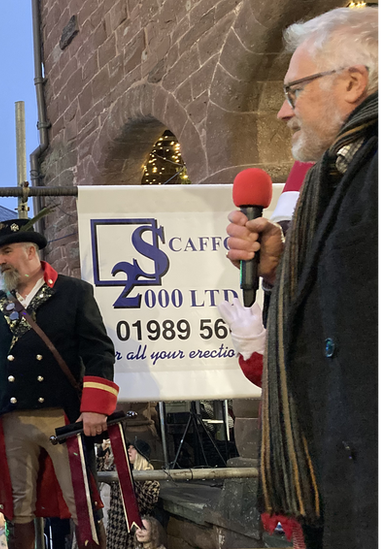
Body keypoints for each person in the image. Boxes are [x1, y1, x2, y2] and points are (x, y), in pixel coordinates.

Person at [224, 7, 379, 548]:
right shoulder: (336, 176)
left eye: (295, 91)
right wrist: (279, 268)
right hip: (342, 486)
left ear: (352, 83)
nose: (283, 113)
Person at [0, 218, 117, 549]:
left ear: (31, 251)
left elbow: (98, 351)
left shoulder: (73, 292)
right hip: (13, 419)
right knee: (18, 509)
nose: (0, 260)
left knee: (82, 503)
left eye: (6, 251)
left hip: (64, 417)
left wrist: (94, 409)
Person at [101, 440, 160, 549]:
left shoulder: (151, 480)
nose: (129, 450)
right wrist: (102, 452)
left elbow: (146, 503)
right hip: (115, 534)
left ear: (141, 454)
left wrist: (132, 478)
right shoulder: (117, 471)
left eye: (133, 448)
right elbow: (99, 473)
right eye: (128, 448)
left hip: (134, 535)